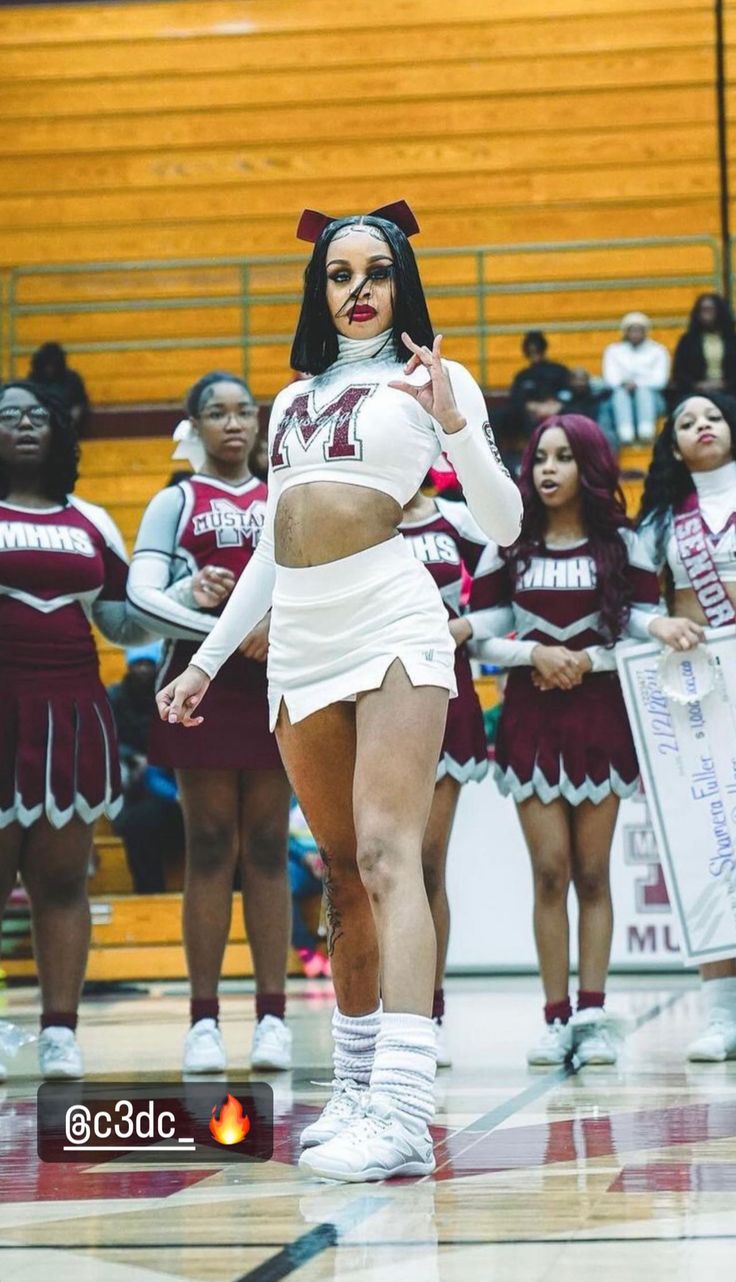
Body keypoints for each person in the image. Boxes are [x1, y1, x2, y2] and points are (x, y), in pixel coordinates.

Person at [155, 201, 522, 1181]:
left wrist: (456, 423)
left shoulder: (433, 379)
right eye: (338, 273)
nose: (357, 290)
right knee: (338, 873)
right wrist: (204, 656)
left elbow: (503, 516)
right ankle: (356, 1088)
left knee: (388, 854)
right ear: (319, 290)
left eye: (376, 271)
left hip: (392, 614)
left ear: (401, 281)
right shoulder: (292, 399)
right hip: (302, 635)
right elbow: (275, 550)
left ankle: (404, 1104)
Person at [475, 414, 676, 1067]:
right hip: (531, 720)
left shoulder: (624, 543)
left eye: (563, 457)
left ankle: (592, 1014)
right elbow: (480, 631)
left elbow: (641, 620)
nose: (548, 470)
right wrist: (532, 653)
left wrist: (626, 646)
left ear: (589, 465)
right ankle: (554, 1016)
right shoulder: (509, 541)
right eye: (539, 459)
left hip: (601, 719)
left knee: (592, 873)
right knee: (548, 871)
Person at [127, 372, 293, 1073]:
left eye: (244, 412)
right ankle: (202, 1022)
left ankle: (272, 1019)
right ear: (193, 425)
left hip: (278, 679)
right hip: (200, 683)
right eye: (216, 413)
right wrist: (200, 603)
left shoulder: (285, 495)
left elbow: (317, 580)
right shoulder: (175, 500)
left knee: (266, 844)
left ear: (260, 425)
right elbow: (139, 600)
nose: (233, 423)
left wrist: (272, 621)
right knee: (209, 842)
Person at [0, 380, 147, 1080]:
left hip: (75, 711)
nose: (25, 427)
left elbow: (123, 620)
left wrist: (185, 599)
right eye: (9, 418)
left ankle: (60, 1031)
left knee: (63, 881)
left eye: (37, 417)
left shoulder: (90, 519)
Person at [638, 392, 736, 1061]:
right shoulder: (661, 523)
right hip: (704, 698)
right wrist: (658, 623)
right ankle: (723, 1014)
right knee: (712, 848)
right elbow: (626, 605)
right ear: (673, 446)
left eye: (714, 416)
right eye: (687, 422)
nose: (703, 426)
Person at [400, 487, 493, 1067]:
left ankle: (427, 1012)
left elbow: (516, 579)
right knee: (375, 864)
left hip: (446, 686)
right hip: (371, 686)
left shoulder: (456, 517)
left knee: (425, 862)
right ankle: (377, 1014)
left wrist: (469, 626)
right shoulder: (361, 506)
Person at [107, 643, 185, 894]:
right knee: (138, 825)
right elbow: (103, 742)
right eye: (138, 664)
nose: (143, 670)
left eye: (148, 664)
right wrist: (133, 759)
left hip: (178, 786)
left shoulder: (172, 698)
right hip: (140, 791)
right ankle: (150, 897)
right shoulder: (114, 698)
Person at [601, 312, 669, 444]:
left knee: (643, 392)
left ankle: (646, 431)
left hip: (652, 398)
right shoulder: (613, 350)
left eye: (639, 330)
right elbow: (610, 379)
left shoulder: (658, 350)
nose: (635, 334)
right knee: (620, 393)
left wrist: (638, 384)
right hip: (621, 395)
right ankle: (625, 433)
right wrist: (624, 383)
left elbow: (660, 380)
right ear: (625, 332)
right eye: (632, 330)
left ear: (646, 331)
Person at [288, 796, 331, 978]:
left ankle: (338, 955)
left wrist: (327, 857)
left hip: (333, 861)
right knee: (282, 887)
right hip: (299, 864)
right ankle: (307, 951)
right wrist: (306, 857)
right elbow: (280, 837)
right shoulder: (287, 798)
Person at [671, 293, 736, 401]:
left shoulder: (732, 340)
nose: (706, 314)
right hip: (695, 392)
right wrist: (698, 385)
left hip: (730, 391)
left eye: (710, 309)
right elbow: (679, 372)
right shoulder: (687, 341)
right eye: (703, 310)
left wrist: (723, 384)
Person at [508, 331, 570, 434]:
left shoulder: (559, 371)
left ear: (543, 349)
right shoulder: (522, 376)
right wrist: (531, 406)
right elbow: (515, 398)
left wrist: (558, 404)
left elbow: (569, 392)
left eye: (537, 350)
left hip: (557, 411)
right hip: (530, 416)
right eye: (531, 351)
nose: (534, 355)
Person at [29, 343, 90, 436]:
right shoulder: (33, 380)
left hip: (66, 428)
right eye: (46, 365)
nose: (49, 369)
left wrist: (69, 421)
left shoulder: (72, 379)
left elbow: (80, 403)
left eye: (52, 365)